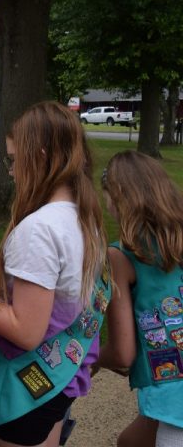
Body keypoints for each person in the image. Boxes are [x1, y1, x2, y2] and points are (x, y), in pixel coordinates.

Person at [0, 101, 110, 447]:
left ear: (41, 157)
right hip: (57, 380)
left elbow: (25, 332)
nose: (11, 171)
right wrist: (4, 269)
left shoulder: (39, 229)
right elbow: (59, 285)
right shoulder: (81, 216)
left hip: (24, 391)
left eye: (14, 159)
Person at [97, 150, 183, 447]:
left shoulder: (119, 256)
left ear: (117, 197)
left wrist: (86, 356)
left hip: (175, 404)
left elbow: (122, 354)